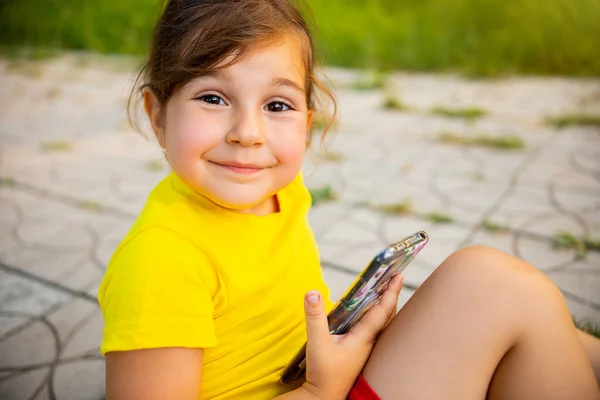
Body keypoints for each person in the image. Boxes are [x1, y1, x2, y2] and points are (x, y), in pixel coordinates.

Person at [98, 0, 600, 399]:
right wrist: (320, 389)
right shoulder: (161, 260)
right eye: (213, 97)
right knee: (493, 285)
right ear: (158, 116)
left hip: (321, 374)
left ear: (307, 123)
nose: (247, 134)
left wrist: (353, 328)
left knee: (526, 313)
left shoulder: (278, 193)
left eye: (277, 105)